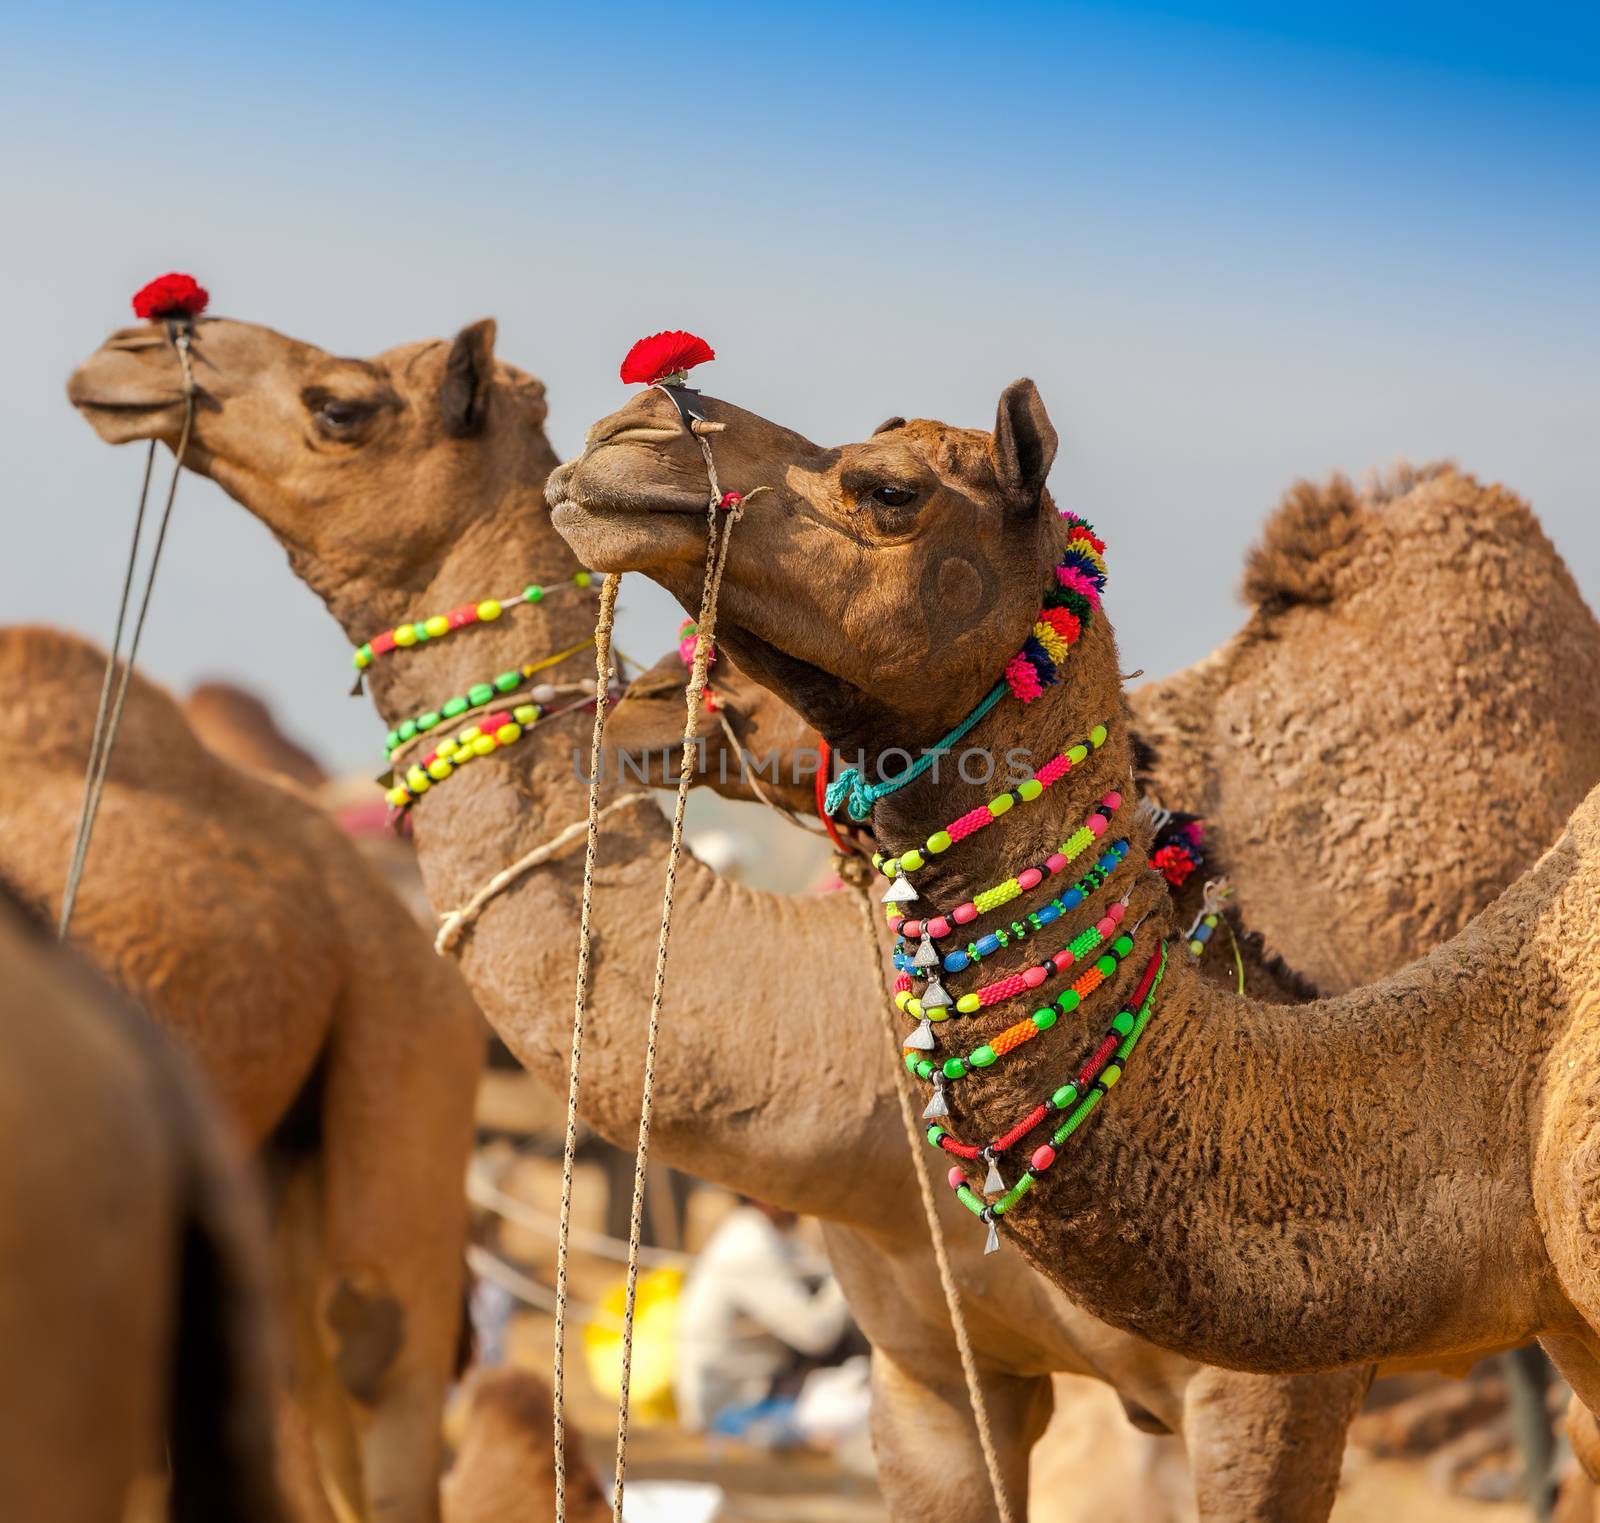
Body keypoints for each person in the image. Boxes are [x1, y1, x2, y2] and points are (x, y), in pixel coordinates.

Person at [674, 1200, 853, 1439]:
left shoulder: (755, 1231)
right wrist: (853, 1272)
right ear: (768, 1200)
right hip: (729, 1403)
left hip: (754, 1383)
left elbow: (809, 1267)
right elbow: (817, 1334)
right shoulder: (748, 1244)